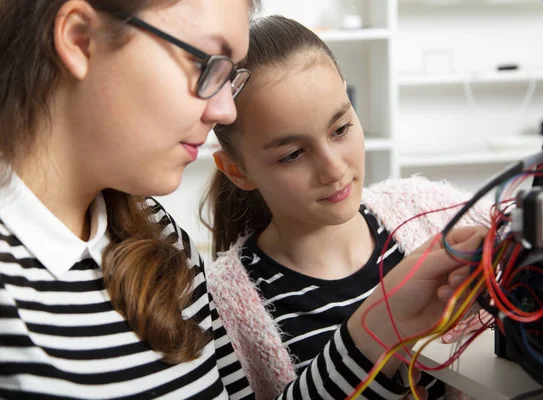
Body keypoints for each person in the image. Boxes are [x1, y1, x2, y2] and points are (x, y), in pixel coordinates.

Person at [0, 1, 485, 399]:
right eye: (203, 63)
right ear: (81, 40)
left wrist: (378, 325)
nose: (225, 109)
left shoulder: (155, 237)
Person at [202, 15, 490, 400]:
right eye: (292, 155)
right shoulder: (225, 309)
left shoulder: (433, 212)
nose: (333, 169)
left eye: (340, 129)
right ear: (237, 169)